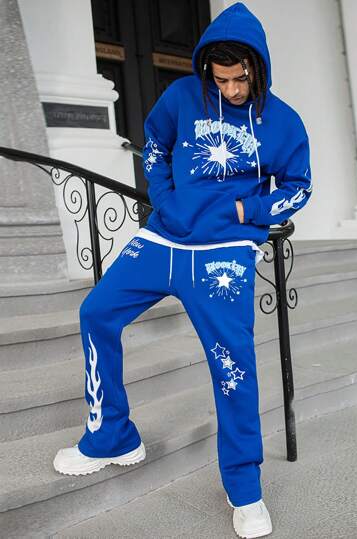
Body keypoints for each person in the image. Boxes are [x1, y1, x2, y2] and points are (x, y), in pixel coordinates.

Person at [53, 2, 312, 537]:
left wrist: (245, 211)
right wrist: (165, 201)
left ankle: (245, 491)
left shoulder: (283, 122)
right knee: (96, 312)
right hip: (162, 238)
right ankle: (111, 436)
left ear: (258, 68)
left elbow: (299, 188)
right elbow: (155, 146)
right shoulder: (180, 97)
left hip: (223, 254)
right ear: (206, 70)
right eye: (221, 79)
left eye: (241, 79)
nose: (232, 89)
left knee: (233, 369)